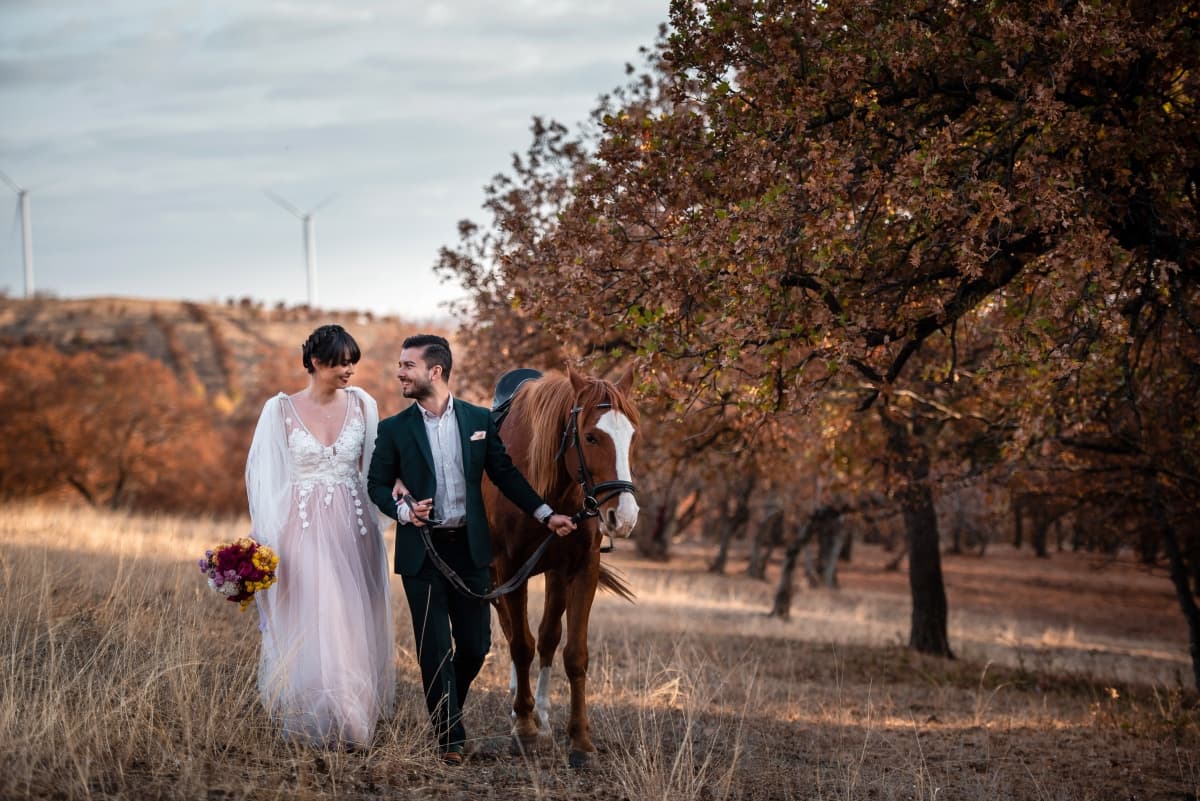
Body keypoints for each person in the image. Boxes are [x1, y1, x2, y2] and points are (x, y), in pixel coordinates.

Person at [366, 334, 575, 764]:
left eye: (408, 365)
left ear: (435, 371)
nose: (400, 372)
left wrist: (545, 514)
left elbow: (506, 475)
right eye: (400, 365)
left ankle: (446, 709)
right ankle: (450, 739)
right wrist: (403, 511)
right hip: (422, 552)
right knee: (434, 650)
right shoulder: (393, 429)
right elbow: (377, 485)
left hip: (470, 550)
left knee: (476, 646)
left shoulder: (478, 420)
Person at [245, 324, 395, 748]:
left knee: (350, 616)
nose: (349, 370)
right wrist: (264, 540)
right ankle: (314, 715)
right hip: (302, 527)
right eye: (341, 363)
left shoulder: (363, 404)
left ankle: (352, 715)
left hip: (354, 526)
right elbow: (265, 480)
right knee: (317, 613)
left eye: (352, 363)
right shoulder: (279, 410)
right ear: (315, 362)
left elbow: (377, 468)